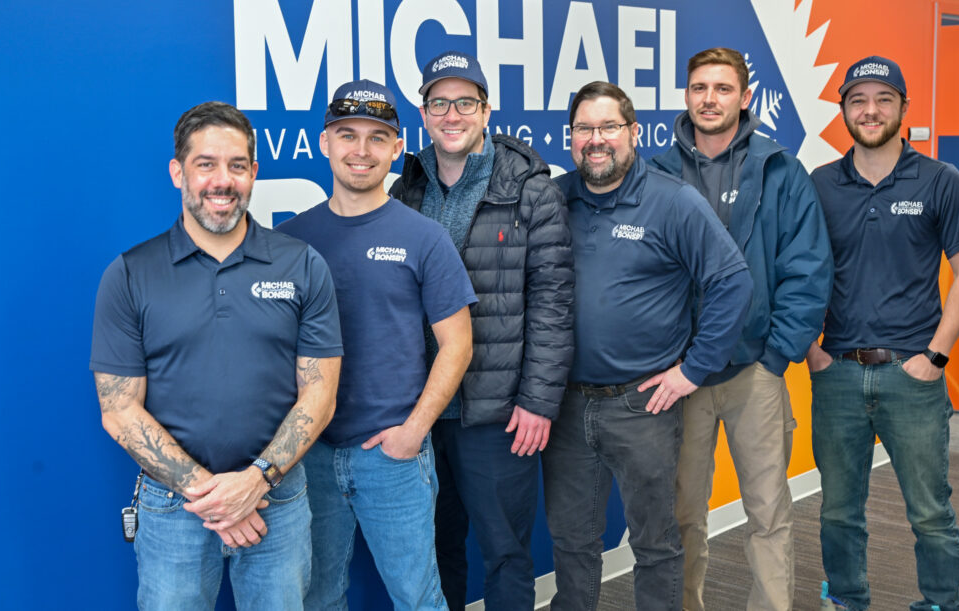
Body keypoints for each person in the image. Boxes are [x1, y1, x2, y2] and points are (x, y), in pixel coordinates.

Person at [89, 101, 343, 610]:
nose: (222, 181)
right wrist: (217, 497)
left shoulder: (301, 264)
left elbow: (320, 392)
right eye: (206, 164)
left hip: (278, 498)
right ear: (178, 172)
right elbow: (118, 411)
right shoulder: (132, 273)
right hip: (173, 507)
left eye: (237, 165)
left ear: (254, 172)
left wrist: (254, 483)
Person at [544, 80, 754, 611]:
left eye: (609, 127)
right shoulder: (555, 200)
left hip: (643, 406)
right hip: (565, 405)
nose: (597, 139)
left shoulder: (672, 200)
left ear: (633, 132)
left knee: (655, 545)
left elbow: (733, 281)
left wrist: (694, 370)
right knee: (571, 544)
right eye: (584, 128)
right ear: (570, 137)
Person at [278, 79, 477, 610]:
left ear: (396, 148)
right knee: (318, 598)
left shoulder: (424, 237)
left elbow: (457, 345)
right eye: (347, 135)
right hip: (311, 453)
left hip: (393, 457)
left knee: (418, 599)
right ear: (325, 143)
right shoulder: (290, 241)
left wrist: (414, 432)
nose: (361, 150)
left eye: (376, 137)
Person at [390, 50, 574, 610]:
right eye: (439, 103)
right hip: (421, 412)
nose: (452, 114)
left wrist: (538, 401)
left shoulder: (530, 190)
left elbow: (554, 301)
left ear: (486, 109)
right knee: (435, 548)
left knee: (506, 553)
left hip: (497, 414)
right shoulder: (406, 190)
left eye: (464, 102)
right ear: (423, 113)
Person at [652, 47, 833, 611]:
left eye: (723, 88)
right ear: (686, 95)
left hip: (754, 369)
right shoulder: (655, 171)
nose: (710, 99)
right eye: (700, 88)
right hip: (678, 375)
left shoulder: (780, 169)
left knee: (767, 511)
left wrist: (778, 354)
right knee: (681, 515)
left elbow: (808, 268)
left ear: (745, 97)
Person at [807, 56, 959, 611]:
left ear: (904, 108)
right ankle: (847, 599)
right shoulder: (820, 185)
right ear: (844, 112)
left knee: (930, 511)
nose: (871, 110)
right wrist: (811, 350)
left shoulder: (939, 180)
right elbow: (799, 272)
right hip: (837, 374)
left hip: (914, 375)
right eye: (858, 100)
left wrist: (936, 356)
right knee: (838, 509)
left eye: (884, 98)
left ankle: (938, 602)